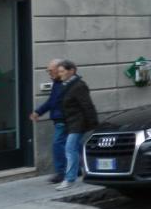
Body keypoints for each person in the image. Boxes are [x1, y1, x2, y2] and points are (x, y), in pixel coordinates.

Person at [55, 60, 99, 191]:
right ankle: (87, 171)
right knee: (76, 149)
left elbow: (87, 105)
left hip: (78, 123)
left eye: (62, 71)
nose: (60, 74)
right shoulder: (66, 85)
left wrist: (93, 124)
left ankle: (69, 179)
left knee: (69, 149)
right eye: (59, 72)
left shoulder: (79, 86)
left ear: (71, 71)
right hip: (70, 123)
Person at [29, 59, 66, 184]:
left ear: (59, 68)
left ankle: (61, 173)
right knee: (71, 146)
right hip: (61, 119)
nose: (48, 72)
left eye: (50, 70)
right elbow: (51, 101)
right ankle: (75, 170)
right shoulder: (57, 82)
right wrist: (38, 112)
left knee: (58, 145)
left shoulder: (66, 83)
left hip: (64, 119)